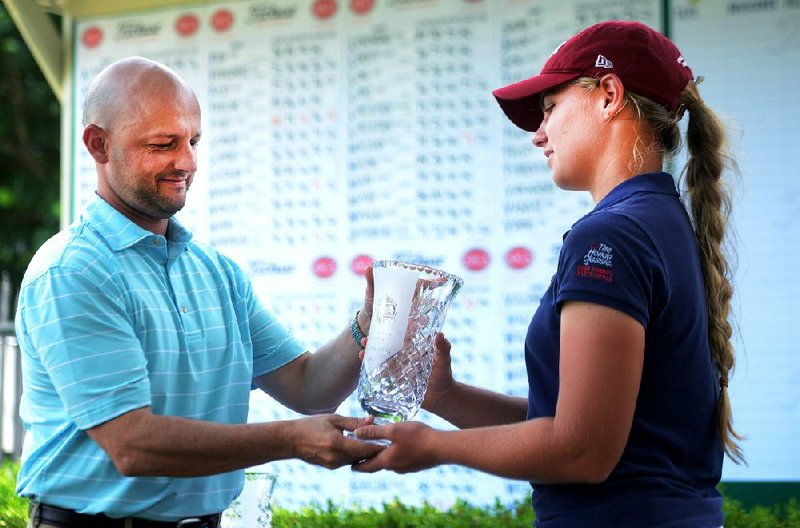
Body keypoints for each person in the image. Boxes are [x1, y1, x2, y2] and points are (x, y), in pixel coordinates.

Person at [353, 20, 744, 527]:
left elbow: (583, 451)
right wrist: (446, 397)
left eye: (550, 108)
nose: (538, 134)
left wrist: (433, 447)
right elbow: (579, 427)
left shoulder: (610, 238)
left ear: (608, 95)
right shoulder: (661, 222)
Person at [15, 57, 383, 528]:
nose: (187, 161)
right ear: (98, 144)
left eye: (193, 141)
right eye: (163, 144)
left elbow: (310, 388)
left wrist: (367, 326)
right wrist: (291, 440)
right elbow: (133, 444)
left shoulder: (218, 272)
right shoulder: (72, 271)